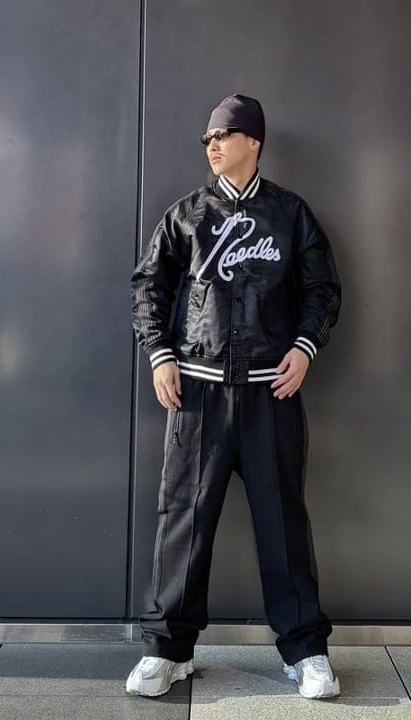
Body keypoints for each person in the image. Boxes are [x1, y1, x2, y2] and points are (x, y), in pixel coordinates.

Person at [127, 94, 341, 700]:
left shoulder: (290, 214)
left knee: (283, 524)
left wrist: (304, 348)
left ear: (254, 141)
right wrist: (160, 354)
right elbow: (148, 285)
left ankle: (306, 651)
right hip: (197, 397)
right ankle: (168, 651)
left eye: (223, 134)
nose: (212, 144)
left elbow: (322, 289)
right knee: (183, 522)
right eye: (207, 138)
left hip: (271, 394)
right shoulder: (186, 216)